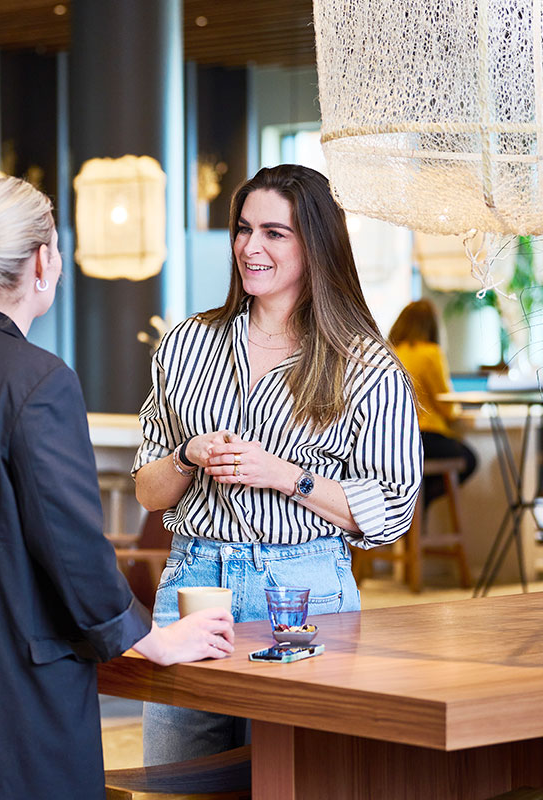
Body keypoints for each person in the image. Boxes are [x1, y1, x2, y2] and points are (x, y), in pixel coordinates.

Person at [0, 176, 235, 800]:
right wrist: (150, 638)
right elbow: (72, 548)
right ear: (42, 262)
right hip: (10, 700)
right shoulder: (38, 381)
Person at [131, 164, 422, 765]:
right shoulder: (185, 344)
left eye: (274, 233)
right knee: (179, 776)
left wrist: (284, 474)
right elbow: (147, 491)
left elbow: (391, 513)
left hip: (303, 591)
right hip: (194, 583)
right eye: (243, 229)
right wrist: (188, 456)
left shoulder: (364, 365)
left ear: (315, 246)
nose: (250, 247)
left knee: (293, 775)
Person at [388, 299, 478, 507]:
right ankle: (420, 503)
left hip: (396, 442)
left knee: (423, 475)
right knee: (470, 460)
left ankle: (412, 506)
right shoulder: (431, 353)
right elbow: (446, 406)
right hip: (426, 437)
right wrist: (459, 411)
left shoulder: (390, 352)